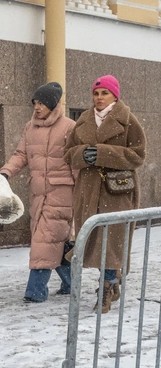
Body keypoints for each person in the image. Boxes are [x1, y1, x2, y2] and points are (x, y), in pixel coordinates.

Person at [64, 75, 146, 313]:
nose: (99, 98)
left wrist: (102, 153)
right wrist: (82, 154)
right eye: (96, 93)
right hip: (88, 191)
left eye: (104, 93)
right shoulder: (84, 120)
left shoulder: (128, 120)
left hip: (118, 190)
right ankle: (112, 279)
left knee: (111, 241)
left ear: (115, 95)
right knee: (94, 240)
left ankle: (106, 288)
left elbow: (138, 155)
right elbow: (68, 153)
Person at [0, 82, 76, 303]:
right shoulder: (29, 127)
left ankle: (35, 292)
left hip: (61, 194)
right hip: (37, 194)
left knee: (44, 240)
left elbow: (77, 165)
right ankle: (71, 283)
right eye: (35, 103)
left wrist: (83, 197)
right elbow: (21, 154)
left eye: (41, 102)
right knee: (53, 241)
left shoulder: (69, 127)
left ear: (52, 103)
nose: (37, 107)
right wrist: (5, 173)